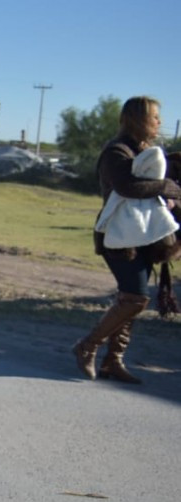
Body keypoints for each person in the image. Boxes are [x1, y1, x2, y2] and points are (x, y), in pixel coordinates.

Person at [72, 96, 181, 385]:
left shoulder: (145, 151)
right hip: (119, 237)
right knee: (135, 297)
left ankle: (113, 360)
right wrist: (169, 187)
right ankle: (88, 345)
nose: (159, 122)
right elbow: (127, 186)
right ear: (139, 118)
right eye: (155, 116)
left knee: (130, 298)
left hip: (143, 235)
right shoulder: (116, 152)